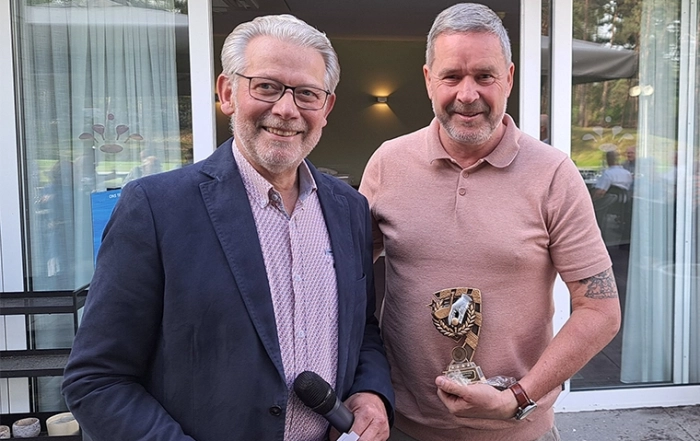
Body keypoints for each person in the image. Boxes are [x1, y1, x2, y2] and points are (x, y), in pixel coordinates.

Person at [62, 14, 394, 441]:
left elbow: (363, 331)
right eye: (266, 86)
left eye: (307, 93)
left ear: (326, 108)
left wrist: (371, 393)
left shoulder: (349, 208)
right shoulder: (155, 209)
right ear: (227, 93)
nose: (287, 109)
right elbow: (97, 379)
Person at [359, 4, 621, 441]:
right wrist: (363, 386)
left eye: (484, 76)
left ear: (509, 78)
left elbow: (601, 310)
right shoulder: (388, 163)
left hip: (518, 431)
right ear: (428, 80)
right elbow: (346, 283)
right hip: (402, 425)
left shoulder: (553, 174)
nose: (467, 94)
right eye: (451, 76)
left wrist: (518, 397)